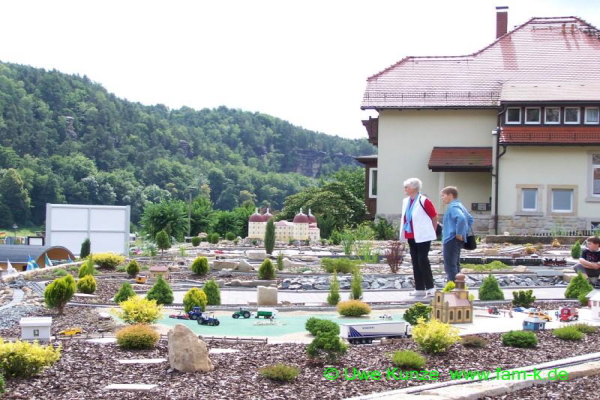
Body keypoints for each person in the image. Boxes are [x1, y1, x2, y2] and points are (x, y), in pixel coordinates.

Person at [399, 178, 438, 297]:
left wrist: (432, 231)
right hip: (411, 235)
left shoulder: (424, 200)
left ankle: (430, 287)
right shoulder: (406, 201)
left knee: (422, 260)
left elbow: (434, 216)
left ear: (414, 188)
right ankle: (419, 288)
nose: (405, 189)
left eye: (407, 187)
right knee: (415, 261)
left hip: (423, 235)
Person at [441, 186, 474, 282]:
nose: (442, 198)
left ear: (450, 195)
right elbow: (470, 219)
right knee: (455, 265)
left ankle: (452, 288)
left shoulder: (453, 206)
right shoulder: (460, 205)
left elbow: (461, 218)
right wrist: (464, 232)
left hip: (451, 239)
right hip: (456, 240)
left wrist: (459, 233)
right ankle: (459, 286)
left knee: (450, 267)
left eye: (443, 195)